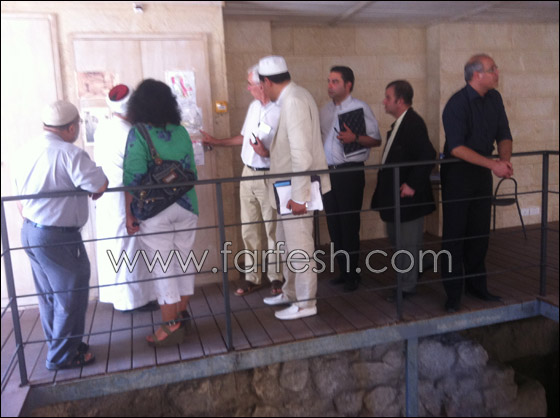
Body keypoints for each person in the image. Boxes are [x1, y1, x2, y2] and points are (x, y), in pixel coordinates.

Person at [15, 100, 108, 370]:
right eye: (77, 125)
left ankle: (63, 345)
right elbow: (99, 185)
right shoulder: (70, 154)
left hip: (31, 232)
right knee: (71, 295)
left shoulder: (25, 151)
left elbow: (19, 199)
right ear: (71, 128)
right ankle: (62, 357)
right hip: (59, 237)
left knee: (49, 297)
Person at [123, 79, 199, 346]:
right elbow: (192, 172)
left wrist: (130, 213)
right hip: (187, 205)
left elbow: (133, 178)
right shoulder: (181, 132)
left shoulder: (139, 133)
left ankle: (170, 325)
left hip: (154, 210)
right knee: (184, 261)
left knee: (163, 267)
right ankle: (181, 316)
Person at [258, 55, 331, 320]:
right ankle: (290, 293)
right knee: (286, 245)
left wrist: (300, 197)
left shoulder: (294, 101)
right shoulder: (294, 97)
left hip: (295, 191)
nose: (261, 89)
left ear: (267, 82)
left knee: (300, 248)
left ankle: (306, 303)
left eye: (261, 85)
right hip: (286, 190)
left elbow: (302, 154)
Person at [201, 65, 284, 297]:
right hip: (248, 174)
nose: (248, 88)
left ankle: (276, 277)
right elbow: (244, 137)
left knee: (273, 229)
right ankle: (252, 277)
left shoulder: (281, 110)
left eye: (250, 84)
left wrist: (267, 153)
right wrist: (217, 142)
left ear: (263, 85)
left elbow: (290, 148)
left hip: (270, 175)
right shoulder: (254, 107)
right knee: (249, 229)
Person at [441, 54, 513, 313]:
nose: (497, 72)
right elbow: (457, 148)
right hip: (458, 174)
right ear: (476, 75)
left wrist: (503, 161)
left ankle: (476, 286)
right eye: (492, 69)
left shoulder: (495, 98)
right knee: (454, 235)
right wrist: (493, 165)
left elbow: (504, 134)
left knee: (479, 233)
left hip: (482, 171)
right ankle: (452, 293)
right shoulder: (456, 104)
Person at [371, 80, 436, 300]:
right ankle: (423, 262)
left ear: (400, 101)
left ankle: (406, 287)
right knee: (397, 239)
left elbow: (428, 155)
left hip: (407, 198)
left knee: (406, 243)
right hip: (395, 198)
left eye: (388, 98)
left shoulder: (413, 124)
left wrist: (412, 185)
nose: (384, 101)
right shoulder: (401, 124)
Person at [94, 84, 156, 312]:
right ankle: (131, 301)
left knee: (115, 247)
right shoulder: (130, 133)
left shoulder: (103, 128)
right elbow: (133, 174)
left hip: (107, 198)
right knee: (129, 248)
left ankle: (120, 297)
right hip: (126, 198)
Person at [320, 66, 381, 292]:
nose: (330, 85)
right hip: (328, 173)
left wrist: (354, 137)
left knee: (349, 223)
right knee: (334, 224)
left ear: (348, 85)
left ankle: (353, 274)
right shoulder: (324, 110)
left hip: (350, 172)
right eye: (328, 81)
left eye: (335, 81)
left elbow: (376, 140)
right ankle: (343, 271)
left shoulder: (360, 107)